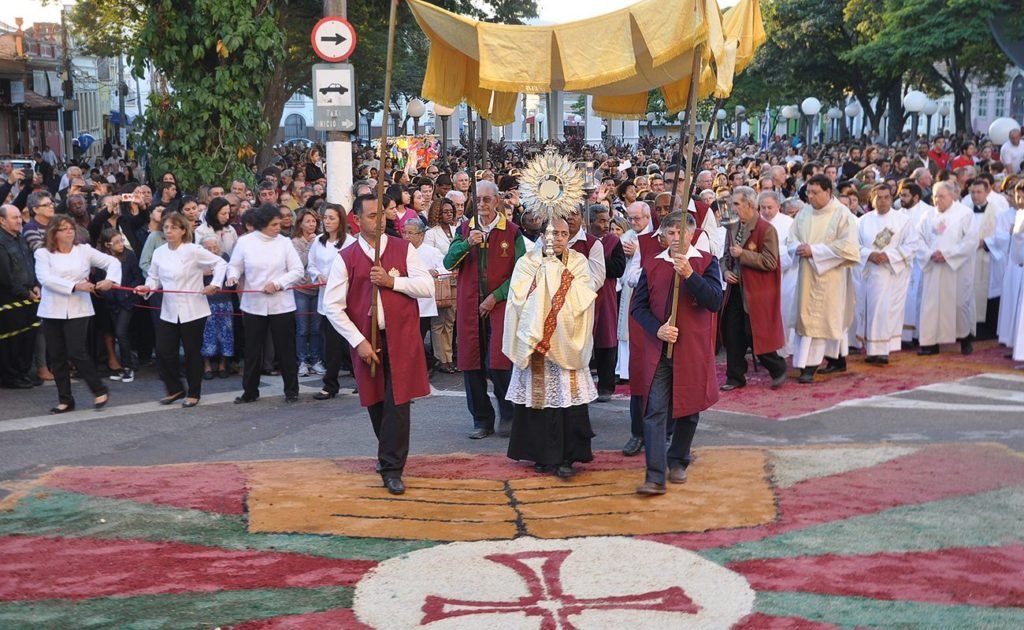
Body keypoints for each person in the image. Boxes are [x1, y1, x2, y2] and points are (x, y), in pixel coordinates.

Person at [324, 193, 434, 495]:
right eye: (372, 215)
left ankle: (391, 468)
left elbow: (426, 286)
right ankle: (388, 454)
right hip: (367, 340)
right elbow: (332, 306)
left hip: (402, 337)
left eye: (382, 214)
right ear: (357, 220)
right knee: (375, 402)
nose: (380, 220)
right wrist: (358, 341)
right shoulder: (346, 257)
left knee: (398, 403)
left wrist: (392, 281)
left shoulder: (403, 248)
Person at [630, 212, 723, 495]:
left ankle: (678, 459)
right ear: (663, 236)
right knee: (655, 410)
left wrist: (690, 275)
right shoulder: (652, 264)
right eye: (670, 233)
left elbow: (714, 300)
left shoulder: (706, 262)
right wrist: (657, 329)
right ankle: (655, 476)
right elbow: (638, 308)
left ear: (692, 235)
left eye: (681, 232)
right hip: (660, 350)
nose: (676, 238)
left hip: (691, 350)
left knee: (689, 409)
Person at [504, 217, 597, 478]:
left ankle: (568, 456)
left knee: (568, 399)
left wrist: (556, 276)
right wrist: (544, 277)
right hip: (537, 345)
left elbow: (584, 295)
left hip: (567, 340)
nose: (557, 238)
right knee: (539, 400)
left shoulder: (578, 261)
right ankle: (542, 455)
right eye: (552, 233)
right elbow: (518, 298)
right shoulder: (527, 262)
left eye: (563, 234)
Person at [443, 180, 527, 439]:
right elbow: (448, 262)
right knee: (471, 365)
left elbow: (522, 274)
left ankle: (508, 413)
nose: (482, 204)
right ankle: (481, 419)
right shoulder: (465, 229)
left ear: (497, 201)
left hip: (499, 305)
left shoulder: (512, 232)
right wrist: (467, 243)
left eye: (487, 199)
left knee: (499, 363)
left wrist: (496, 296)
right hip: (469, 305)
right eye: (478, 199)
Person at [136, 212, 227, 407]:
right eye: (166, 227)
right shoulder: (159, 252)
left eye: (174, 228)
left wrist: (215, 284)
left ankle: (194, 393)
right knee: (163, 351)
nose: (169, 231)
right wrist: (147, 287)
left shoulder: (194, 250)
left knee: (192, 353)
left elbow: (220, 263)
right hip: (169, 310)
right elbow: (153, 278)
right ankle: (175, 388)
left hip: (193, 309)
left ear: (183, 230)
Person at [35, 216, 121, 413]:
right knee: (56, 356)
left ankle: (99, 389)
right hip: (52, 309)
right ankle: (65, 399)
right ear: (54, 233)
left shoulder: (84, 250)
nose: (69, 232)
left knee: (76, 351)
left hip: (79, 308)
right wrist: (75, 286)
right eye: (63, 229)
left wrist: (110, 280)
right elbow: (45, 279)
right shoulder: (42, 253)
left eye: (71, 228)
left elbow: (112, 262)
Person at [226, 204, 305, 404]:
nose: (278, 228)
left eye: (279, 224)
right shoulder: (245, 242)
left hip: (282, 304)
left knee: (285, 349)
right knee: (252, 350)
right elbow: (234, 265)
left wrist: (278, 284)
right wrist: (233, 276)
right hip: (253, 304)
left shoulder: (285, 243)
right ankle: (250, 391)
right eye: (274, 225)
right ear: (262, 225)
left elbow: (297, 271)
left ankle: (292, 390)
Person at [789, 174, 861, 383]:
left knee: (824, 319)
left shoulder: (842, 214)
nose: (810, 196)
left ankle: (810, 366)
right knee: (808, 319)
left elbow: (848, 247)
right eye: (808, 192)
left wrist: (815, 251)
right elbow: (791, 240)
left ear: (828, 192)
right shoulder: (804, 213)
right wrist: (799, 248)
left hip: (831, 276)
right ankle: (835, 359)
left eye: (815, 192)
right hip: (806, 275)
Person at [720, 187, 788, 391]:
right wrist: (725, 271)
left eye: (736, 204)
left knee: (754, 333)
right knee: (732, 333)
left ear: (749, 205)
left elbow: (770, 261)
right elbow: (725, 257)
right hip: (735, 289)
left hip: (755, 291)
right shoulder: (732, 227)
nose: (733, 208)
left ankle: (777, 367)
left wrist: (743, 254)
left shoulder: (766, 229)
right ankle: (735, 377)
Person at [856, 184, 919, 364]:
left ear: (892, 199)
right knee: (873, 311)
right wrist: (869, 254)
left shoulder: (903, 221)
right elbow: (854, 245)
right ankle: (873, 350)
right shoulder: (862, 221)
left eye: (886, 197)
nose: (883, 201)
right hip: (870, 273)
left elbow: (912, 245)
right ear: (872, 199)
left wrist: (888, 256)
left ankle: (883, 350)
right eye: (879, 197)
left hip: (892, 274)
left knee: (887, 311)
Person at [916, 181, 979, 356]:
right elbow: (917, 238)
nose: (938, 200)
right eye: (935, 196)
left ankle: (965, 339)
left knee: (959, 304)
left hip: (956, 269)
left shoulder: (964, 214)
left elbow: (971, 240)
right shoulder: (927, 215)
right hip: (933, 267)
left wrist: (948, 255)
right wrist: (929, 254)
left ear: (952, 196)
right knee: (931, 305)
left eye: (942, 196)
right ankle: (930, 343)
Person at [308, 204, 356, 400]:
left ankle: (363, 379)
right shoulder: (318, 241)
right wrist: (317, 275)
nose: (327, 222)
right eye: (325, 218)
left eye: (331, 218)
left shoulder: (351, 242)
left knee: (352, 342)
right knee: (332, 345)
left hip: (347, 299)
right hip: (326, 300)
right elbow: (311, 265)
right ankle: (330, 384)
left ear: (340, 220)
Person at [587, 205, 626, 401]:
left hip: (606, 296)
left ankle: (605, 386)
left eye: (607, 221)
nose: (605, 226)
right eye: (601, 221)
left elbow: (619, 268)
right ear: (590, 221)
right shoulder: (582, 241)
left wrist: (598, 257)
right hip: (583, 297)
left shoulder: (613, 241)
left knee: (606, 339)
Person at [0, 204, 39, 389]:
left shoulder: (21, 239)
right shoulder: (1, 242)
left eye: (19, 217)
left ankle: (23, 373)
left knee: (27, 337)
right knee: (12, 340)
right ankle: (11, 376)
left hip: (29, 294)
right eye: (14, 218)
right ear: (2, 220)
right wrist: (26, 293)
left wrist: (35, 285)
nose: (19, 221)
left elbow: (30, 264)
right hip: (10, 298)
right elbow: (5, 276)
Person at [759, 190, 797, 356]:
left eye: (770, 207)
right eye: (763, 208)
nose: (766, 211)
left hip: (785, 276)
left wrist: (773, 259)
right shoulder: (756, 223)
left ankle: (786, 348)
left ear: (778, 206)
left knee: (785, 312)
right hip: (762, 276)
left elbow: (792, 249)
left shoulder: (789, 224)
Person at [292, 208, 324, 376]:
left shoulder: (320, 240)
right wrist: (309, 246)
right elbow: (300, 264)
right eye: (308, 221)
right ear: (300, 224)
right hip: (301, 289)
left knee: (316, 328)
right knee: (302, 328)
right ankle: (302, 361)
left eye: (314, 221)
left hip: (317, 288)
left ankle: (316, 360)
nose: (311, 224)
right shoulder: (295, 242)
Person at [198, 235, 234, 379]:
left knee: (226, 334)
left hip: (224, 301)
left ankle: (222, 365)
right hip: (205, 301)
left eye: (215, 247)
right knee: (207, 334)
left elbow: (231, 274)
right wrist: (202, 273)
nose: (213, 251)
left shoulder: (224, 257)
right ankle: (206, 366)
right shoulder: (199, 261)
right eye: (209, 248)